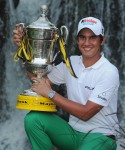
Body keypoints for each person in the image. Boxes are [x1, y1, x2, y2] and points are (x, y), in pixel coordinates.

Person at [13, 16, 119, 150]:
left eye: (92, 37)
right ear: (77, 39)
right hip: (72, 133)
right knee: (33, 120)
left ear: (102, 40)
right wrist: (25, 50)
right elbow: (39, 82)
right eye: (82, 37)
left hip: (101, 136)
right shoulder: (71, 63)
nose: (87, 42)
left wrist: (51, 94)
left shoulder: (109, 71)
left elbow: (86, 114)